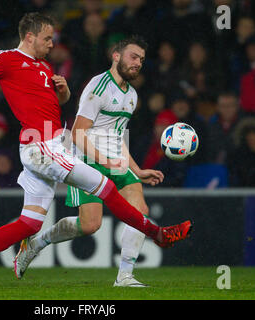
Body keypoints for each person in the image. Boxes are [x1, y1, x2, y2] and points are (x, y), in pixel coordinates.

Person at [0, 12, 192, 288]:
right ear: (29, 36)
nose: (52, 44)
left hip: (49, 145)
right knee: (105, 186)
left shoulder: (45, 67)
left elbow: (55, 105)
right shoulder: (6, 59)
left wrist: (64, 92)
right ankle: (158, 234)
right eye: (47, 38)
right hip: (42, 146)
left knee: (29, 223)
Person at [14, 36, 164, 287]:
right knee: (90, 224)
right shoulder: (98, 86)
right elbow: (78, 134)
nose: (137, 63)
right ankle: (36, 243)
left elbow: (118, 137)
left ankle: (125, 276)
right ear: (116, 56)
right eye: (133, 57)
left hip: (115, 160)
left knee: (141, 211)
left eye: (141, 60)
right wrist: (106, 161)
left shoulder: (132, 96)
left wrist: (137, 169)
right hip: (88, 159)